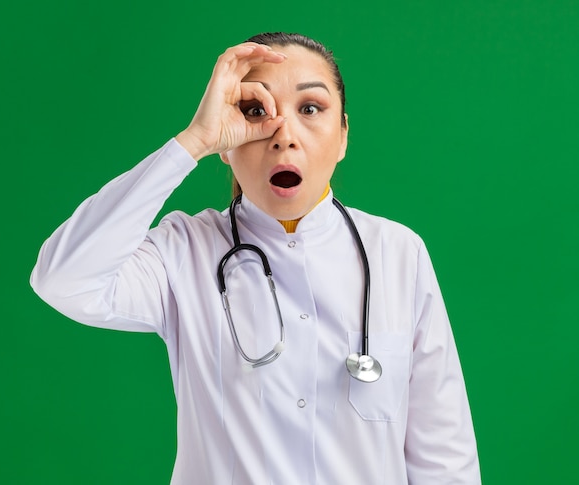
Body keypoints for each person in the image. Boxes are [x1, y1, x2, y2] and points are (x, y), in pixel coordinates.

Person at [31, 32, 481, 484]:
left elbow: (444, 454)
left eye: (310, 109)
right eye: (255, 112)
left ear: (343, 135)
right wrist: (193, 141)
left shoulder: (398, 253)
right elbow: (63, 279)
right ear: (226, 143)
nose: (284, 136)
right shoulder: (182, 250)